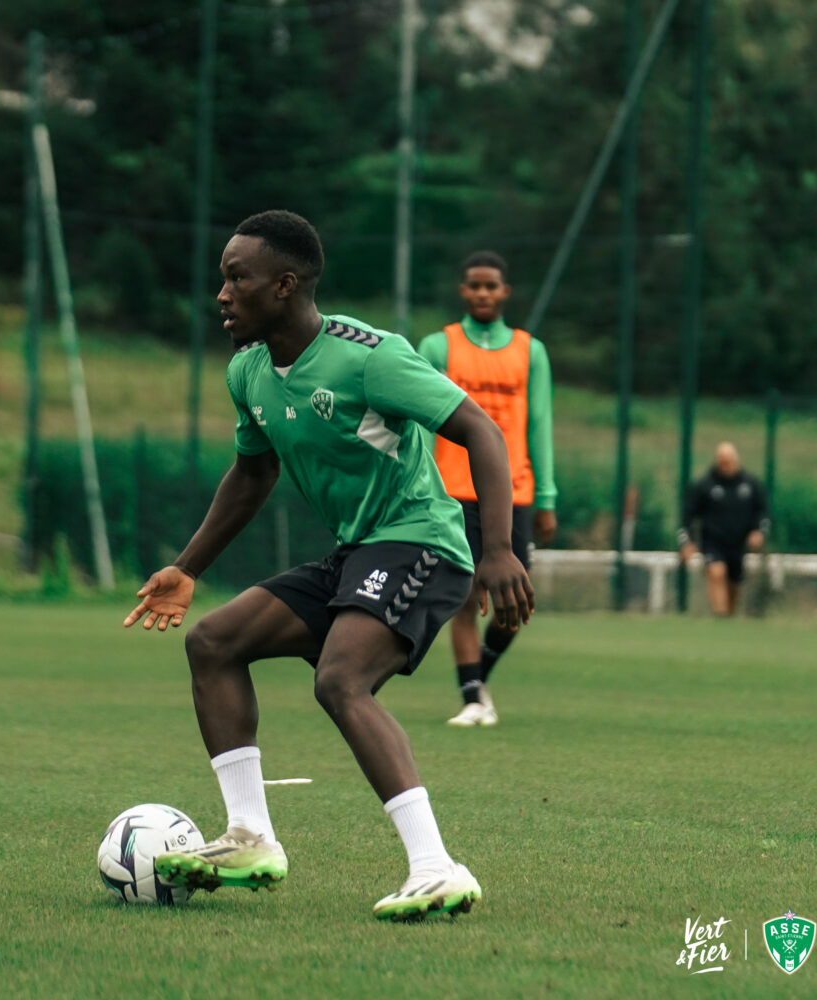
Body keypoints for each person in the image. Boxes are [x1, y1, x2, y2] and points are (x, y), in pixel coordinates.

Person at [123, 211, 533, 921]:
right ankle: (251, 836)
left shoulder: (369, 356)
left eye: (236, 278)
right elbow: (252, 476)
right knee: (213, 643)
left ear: (283, 286)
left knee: (341, 679)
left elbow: (480, 431)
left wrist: (497, 549)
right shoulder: (249, 370)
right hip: (357, 551)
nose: (222, 294)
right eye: (223, 277)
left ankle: (437, 867)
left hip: (423, 542)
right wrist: (188, 567)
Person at [416, 251, 556, 727]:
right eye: (474, 285)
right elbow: (417, 421)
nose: (482, 293)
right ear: (463, 291)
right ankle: (472, 696)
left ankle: (481, 674)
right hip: (453, 489)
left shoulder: (529, 350)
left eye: (490, 286)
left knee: (516, 597)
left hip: (514, 491)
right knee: (464, 592)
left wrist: (548, 497)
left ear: (504, 292)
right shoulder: (438, 347)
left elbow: (540, 424)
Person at [677, 441, 769, 616]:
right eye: (723, 462)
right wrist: (687, 542)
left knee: (734, 583)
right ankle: (720, 615)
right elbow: (687, 516)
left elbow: (762, 512)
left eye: (730, 461)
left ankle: (728, 616)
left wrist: (759, 532)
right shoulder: (704, 485)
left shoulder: (751, 484)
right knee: (716, 572)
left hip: (738, 542)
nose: (726, 466)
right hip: (713, 541)